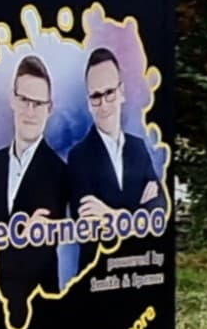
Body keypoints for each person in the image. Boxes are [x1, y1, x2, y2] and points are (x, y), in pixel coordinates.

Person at [0, 54, 74, 224]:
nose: (30, 112)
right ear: (13, 100)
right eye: (24, 100)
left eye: (38, 104)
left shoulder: (61, 174)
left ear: (49, 108)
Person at [67, 45, 165, 223]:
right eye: (96, 96)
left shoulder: (138, 148)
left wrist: (111, 215)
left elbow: (159, 206)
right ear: (88, 103)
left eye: (109, 93)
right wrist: (138, 214)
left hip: (143, 251)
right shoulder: (78, 156)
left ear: (122, 92)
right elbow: (86, 221)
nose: (103, 105)